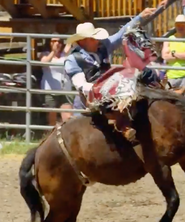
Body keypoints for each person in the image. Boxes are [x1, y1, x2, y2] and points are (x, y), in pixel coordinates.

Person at [63, 7, 157, 141]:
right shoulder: (73, 60)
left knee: (143, 74)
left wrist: (140, 17)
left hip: (108, 87)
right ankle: (123, 126)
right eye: (93, 38)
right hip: (91, 96)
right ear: (83, 41)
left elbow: (121, 34)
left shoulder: (103, 46)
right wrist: (99, 89)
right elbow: (81, 84)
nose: (97, 40)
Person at [40, 35, 73, 125]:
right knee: (52, 119)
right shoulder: (45, 54)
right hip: (50, 91)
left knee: (68, 118)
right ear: (49, 43)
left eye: (59, 41)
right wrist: (53, 52)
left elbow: (69, 48)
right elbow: (44, 64)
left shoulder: (65, 55)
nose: (57, 43)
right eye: (54, 41)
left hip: (65, 91)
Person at [162, 14, 185, 93]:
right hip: (171, 76)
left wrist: (173, 53)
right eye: (178, 24)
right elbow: (164, 56)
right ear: (175, 26)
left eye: (182, 24)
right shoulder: (169, 39)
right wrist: (181, 55)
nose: (180, 27)